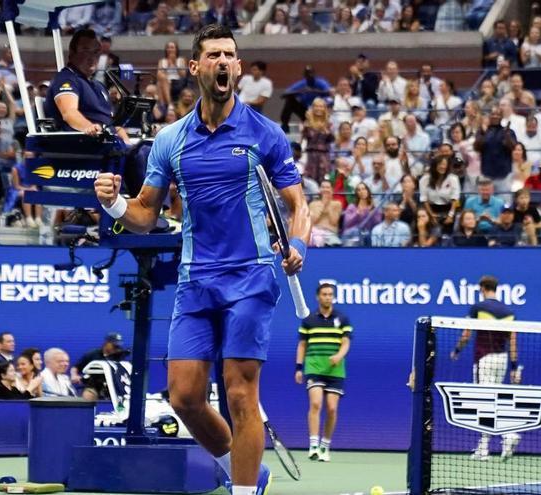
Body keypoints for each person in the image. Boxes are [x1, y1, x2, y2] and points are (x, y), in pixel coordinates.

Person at [93, 25, 310, 495]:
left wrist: (298, 246)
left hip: (250, 277)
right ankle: (246, 469)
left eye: (231, 55)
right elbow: (146, 215)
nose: (225, 62)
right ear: (196, 68)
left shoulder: (264, 134)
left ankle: (244, 491)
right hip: (196, 280)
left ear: (237, 66)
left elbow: (298, 204)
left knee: (238, 392)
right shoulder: (172, 139)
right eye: (214, 55)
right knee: (185, 398)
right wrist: (113, 205)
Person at [450, 275, 520, 460]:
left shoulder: (478, 308)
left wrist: (457, 350)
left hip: (484, 359)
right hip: (502, 359)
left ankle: (508, 435)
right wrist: (514, 366)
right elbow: (512, 340)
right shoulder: (508, 311)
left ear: (482, 288)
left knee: (484, 402)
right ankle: (484, 447)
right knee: (492, 400)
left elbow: (466, 334)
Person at [295, 283, 351, 463]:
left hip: (336, 370)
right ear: (318, 297)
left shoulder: (342, 319)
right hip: (314, 368)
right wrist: (298, 367)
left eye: (330, 294)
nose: (327, 297)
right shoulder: (309, 319)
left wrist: (339, 355)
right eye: (324, 294)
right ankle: (313, 445)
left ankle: (325, 446)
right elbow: (302, 345)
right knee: (316, 404)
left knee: (332, 408)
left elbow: (346, 342)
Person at [44, 29, 126, 142]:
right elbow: (69, 113)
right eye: (85, 51)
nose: (92, 57)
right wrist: (88, 127)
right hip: (86, 146)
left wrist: (128, 143)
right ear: (72, 53)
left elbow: (113, 123)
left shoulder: (99, 86)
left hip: (112, 144)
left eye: (96, 52)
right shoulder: (66, 79)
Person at [73, 332, 130, 399]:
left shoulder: (119, 356)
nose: (116, 348)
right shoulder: (93, 354)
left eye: (118, 346)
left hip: (113, 386)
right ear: (106, 343)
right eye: (114, 346)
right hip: (94, 385)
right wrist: (74, 375)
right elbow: (76, 367)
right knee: (88, 394)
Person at [474, 107, 516, 193]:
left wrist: (507, 136)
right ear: (489, 116)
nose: (495, 116)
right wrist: (484, 133)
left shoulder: (509, 131)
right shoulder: (482, 131)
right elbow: (476, 147)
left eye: (498, 114)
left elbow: (513, 147)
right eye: (493, 114)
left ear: (501, 117)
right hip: (486, 175)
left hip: (504, 175)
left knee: (505, 203)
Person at [280, 66, 331, 133]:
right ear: (305, 75)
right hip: (306, 112)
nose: (310, 75)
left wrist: (313, 91)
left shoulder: (320, 82)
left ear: (314, 74)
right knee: (289, 101)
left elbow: (329, 92)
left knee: (328, 102)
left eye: (311, 73)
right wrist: (300, 91)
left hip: (319, 110)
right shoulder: (302, 84)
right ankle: (285, 126)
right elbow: (283, 95)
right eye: (308, 74)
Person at [308, 180, 342, 247]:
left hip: (330, 233)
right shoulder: (313, 204)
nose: (325, 189)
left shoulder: (337, 204)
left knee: (320, 240)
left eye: (327, 187)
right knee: (313, 238)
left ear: (332, 190)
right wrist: (322, 205)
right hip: (314, 232)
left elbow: (334, 221)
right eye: (323, 187)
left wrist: (328, 204)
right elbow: (312, 221)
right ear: (320, 189)